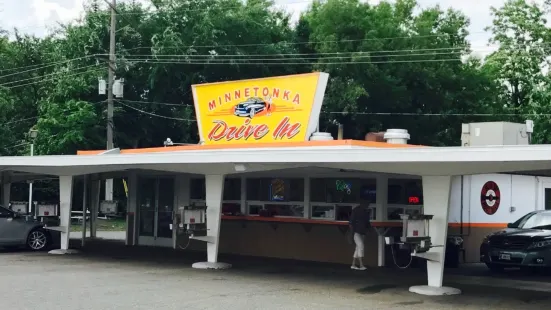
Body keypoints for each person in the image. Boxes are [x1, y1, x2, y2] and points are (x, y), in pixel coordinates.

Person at [349, 202, 372, 270]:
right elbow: (351, 223)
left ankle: (353, 264)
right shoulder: (356, 210)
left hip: (362, 232)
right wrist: (351, 233)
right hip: (356, 232)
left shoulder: (365, 211)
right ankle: (361, 265)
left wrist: (369, 229)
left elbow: (367, 222)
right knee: (361, 246)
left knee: (358, 247)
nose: (368, 205)